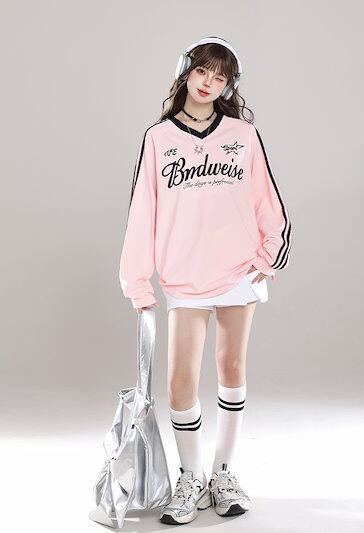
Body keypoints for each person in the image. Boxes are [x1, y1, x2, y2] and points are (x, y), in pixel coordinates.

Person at [119, 36, 292, 525]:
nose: (208, 83)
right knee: (180, 383)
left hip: (238, 270)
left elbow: (267, 199)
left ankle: (223, 474)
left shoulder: (243, 135)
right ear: (185, 72)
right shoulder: (158, 138)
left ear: (229, 85)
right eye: (202, 72)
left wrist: (269, 254)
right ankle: (190, 477)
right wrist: (137, 281)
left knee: (231, 366)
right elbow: (142, 211)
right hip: (183, 275)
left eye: (220, 77)